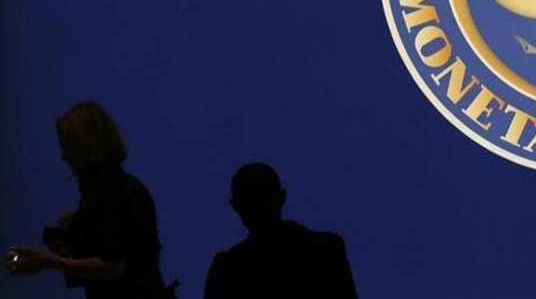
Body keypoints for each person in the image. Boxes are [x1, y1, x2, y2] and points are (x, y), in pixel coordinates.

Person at [3, 101, 175, 298]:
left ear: (83, 145)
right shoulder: (128, 185)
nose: (63, 156)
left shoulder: (104, 190)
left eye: (66, 145)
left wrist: (48, 261)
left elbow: (112, 266)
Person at [204, 163, 357, 299]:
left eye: (261, 197)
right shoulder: (325, 248)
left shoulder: (227, 268)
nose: (257, 207)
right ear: (281, 197)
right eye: (250, 200)